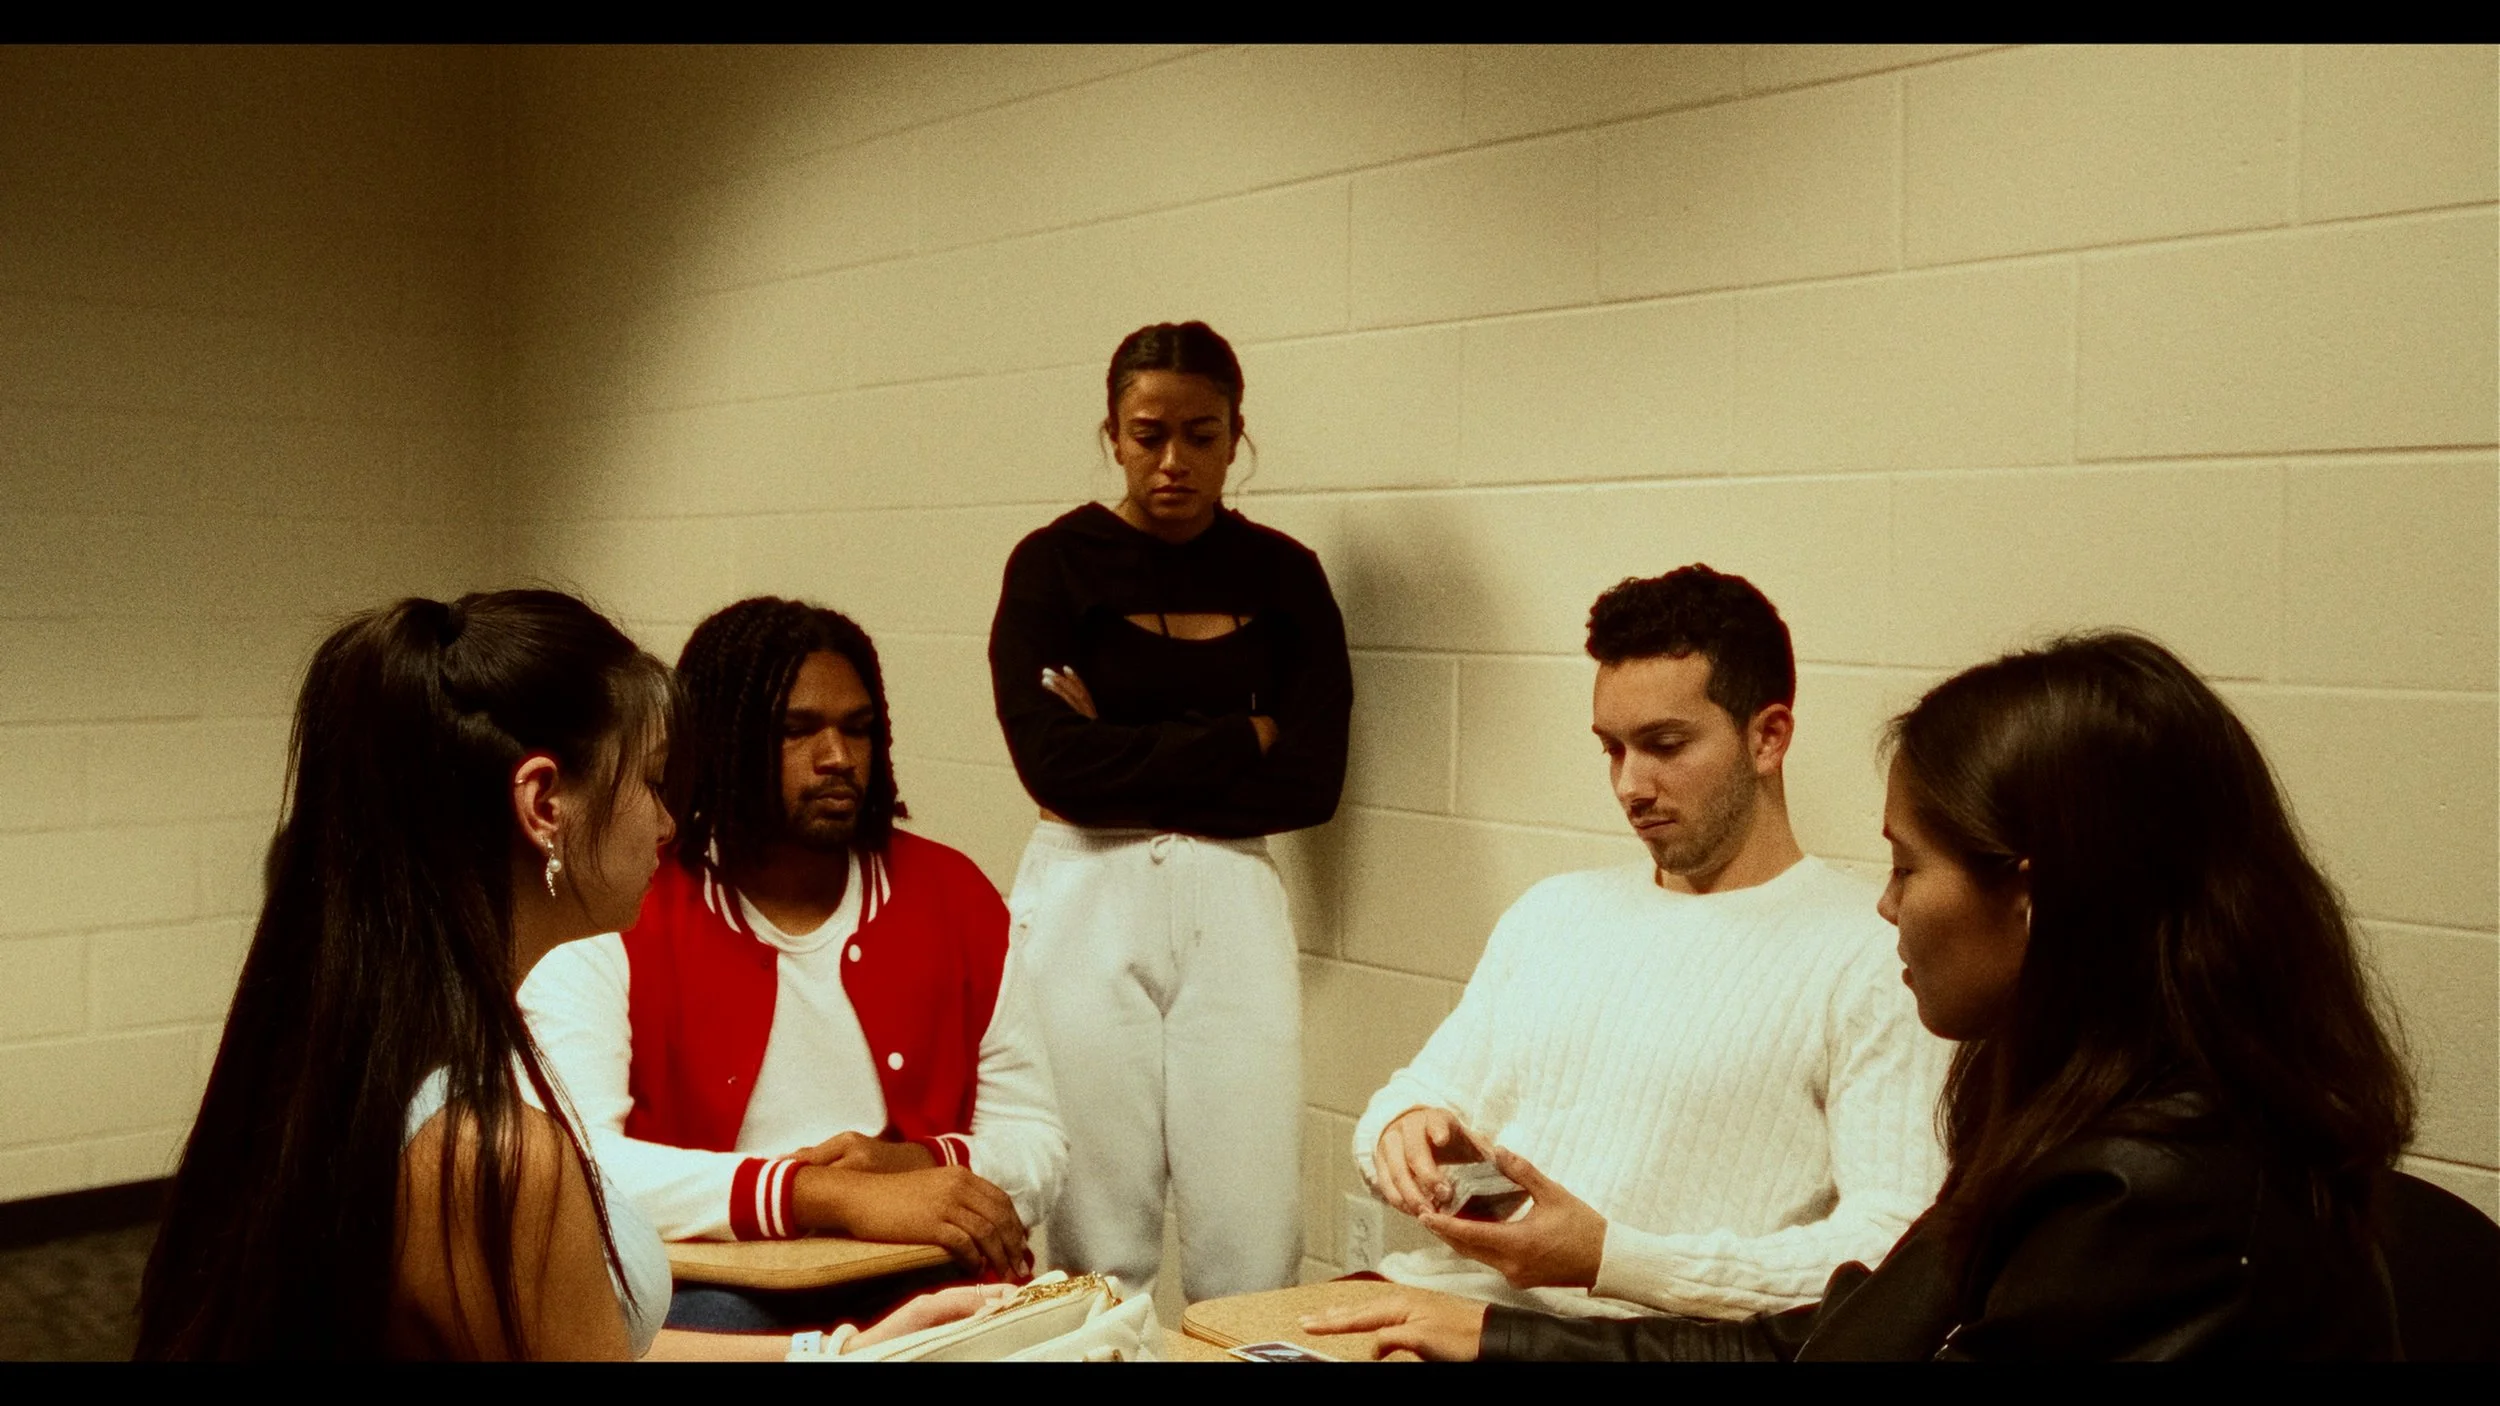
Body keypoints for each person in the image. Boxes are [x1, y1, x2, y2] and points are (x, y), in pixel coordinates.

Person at [1309, 631, 2416, 1360]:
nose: (1886, 907)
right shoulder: (2067, 1112)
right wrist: (1501, 1335)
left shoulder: (2149, 1198)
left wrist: (1599, 1263)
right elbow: (1842, 1336)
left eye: (1907, 865)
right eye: (1610, 747)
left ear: (2032, 896)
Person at [136, 591, 997, 1359]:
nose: (669, 820)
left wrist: (840, 1355)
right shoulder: (491, 1153)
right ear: (545, 803)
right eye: (654, 781)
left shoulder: (379, 1047)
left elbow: (591, 1341)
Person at [1350, 566, 1951, 1322]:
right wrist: (1404, 1137)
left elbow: (1888, 1251)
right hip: (1450, 1306)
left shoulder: (1873, 951)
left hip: (1643, 1342)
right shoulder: (1555, 913)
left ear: (1768, 738)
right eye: (1612, 749)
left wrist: (1612, 1259)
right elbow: (1412, 1099)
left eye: (1665, 745)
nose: (1631, 785)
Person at [522, 596, 1064, 1329]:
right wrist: (815, 1191)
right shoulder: (621, 904)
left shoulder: (952, 894)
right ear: (719, 743)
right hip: (710, 1291)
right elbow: (579, 1163)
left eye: (859, 729)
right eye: (797, 731)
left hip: (919, 1270)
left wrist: (919, 1164)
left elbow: (1038, 1146)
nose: (838, 757)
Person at [986, 320, 1353, 1301]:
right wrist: (1241, 733)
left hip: (1234, 891)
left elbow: (1312, 782)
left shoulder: (1285, 576)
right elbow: (1056, 767)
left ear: (1237, 435)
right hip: (1084, 887)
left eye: (1201, 433)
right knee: (1096, 1218)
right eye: (1149, 433)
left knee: (1254, 1215)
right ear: (1111, 430)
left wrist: (1123, 739)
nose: (1174, 461)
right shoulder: (1053, 565)